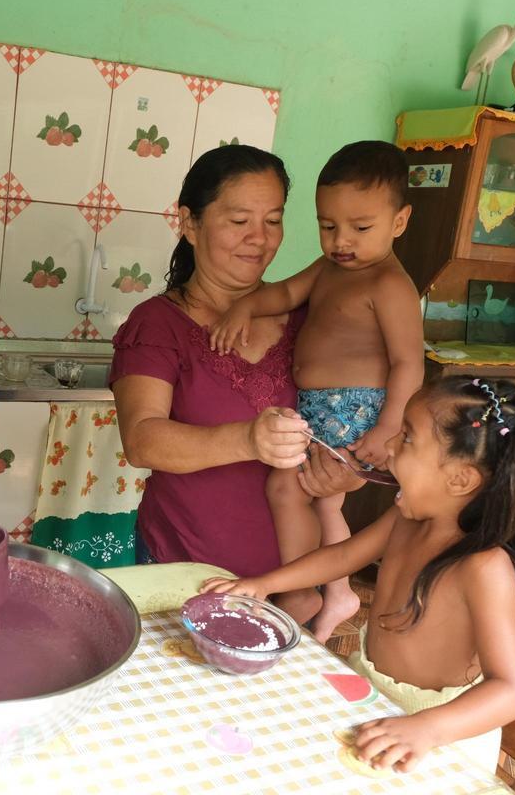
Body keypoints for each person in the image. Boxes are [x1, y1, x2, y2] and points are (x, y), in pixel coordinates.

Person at [202, 376, 515, 791]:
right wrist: (264, 584)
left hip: (441, 732)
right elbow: (341, 557)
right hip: (371, 694)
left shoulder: (485, 568)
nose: (389, 446)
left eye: (407, 438)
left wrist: (427, 729)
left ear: (460, 480)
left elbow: (512, 691)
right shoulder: (405, 519)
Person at [111, 144, 360, 624]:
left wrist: (350, 469)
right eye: (239, 220)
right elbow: (142, 439)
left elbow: (356, 408)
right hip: (185, 571)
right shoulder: (158, 324)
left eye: (273, 220)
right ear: (189, 223)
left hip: (293, 587)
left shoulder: (313, 317)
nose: (259, 239)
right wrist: (250, 438)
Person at [208, 141, 425, 642]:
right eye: (328, 226)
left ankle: (307, 589)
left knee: (290, 489)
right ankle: (336, 590)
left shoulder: (391, 285)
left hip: (356, 411)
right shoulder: (329, 270)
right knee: (317, 502)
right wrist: (246, 307)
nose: (341, 240)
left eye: (360, 227)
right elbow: (284, 293)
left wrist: (391, 427)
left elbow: (408, 362)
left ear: (400, 221)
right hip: (319, 409)